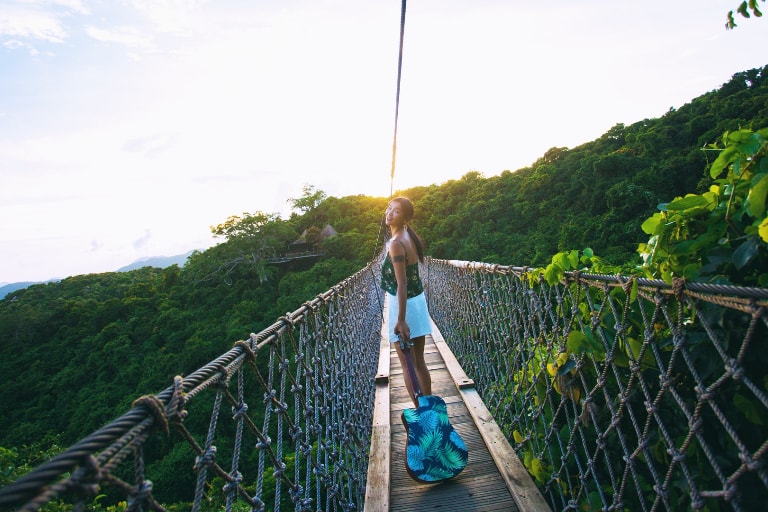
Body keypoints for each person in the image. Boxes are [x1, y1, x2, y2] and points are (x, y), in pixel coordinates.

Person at [380, 196, 432, 408]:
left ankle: (422, 418)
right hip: (417, 302)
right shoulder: (409, 237)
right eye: (389, 208)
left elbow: (401, 284)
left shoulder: (395, 243)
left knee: (406, 364)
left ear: (406, 218)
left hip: (404, 307)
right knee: (419, 362)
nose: (390, 213)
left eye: (397, 211)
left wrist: (400, 320)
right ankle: (430, 412)